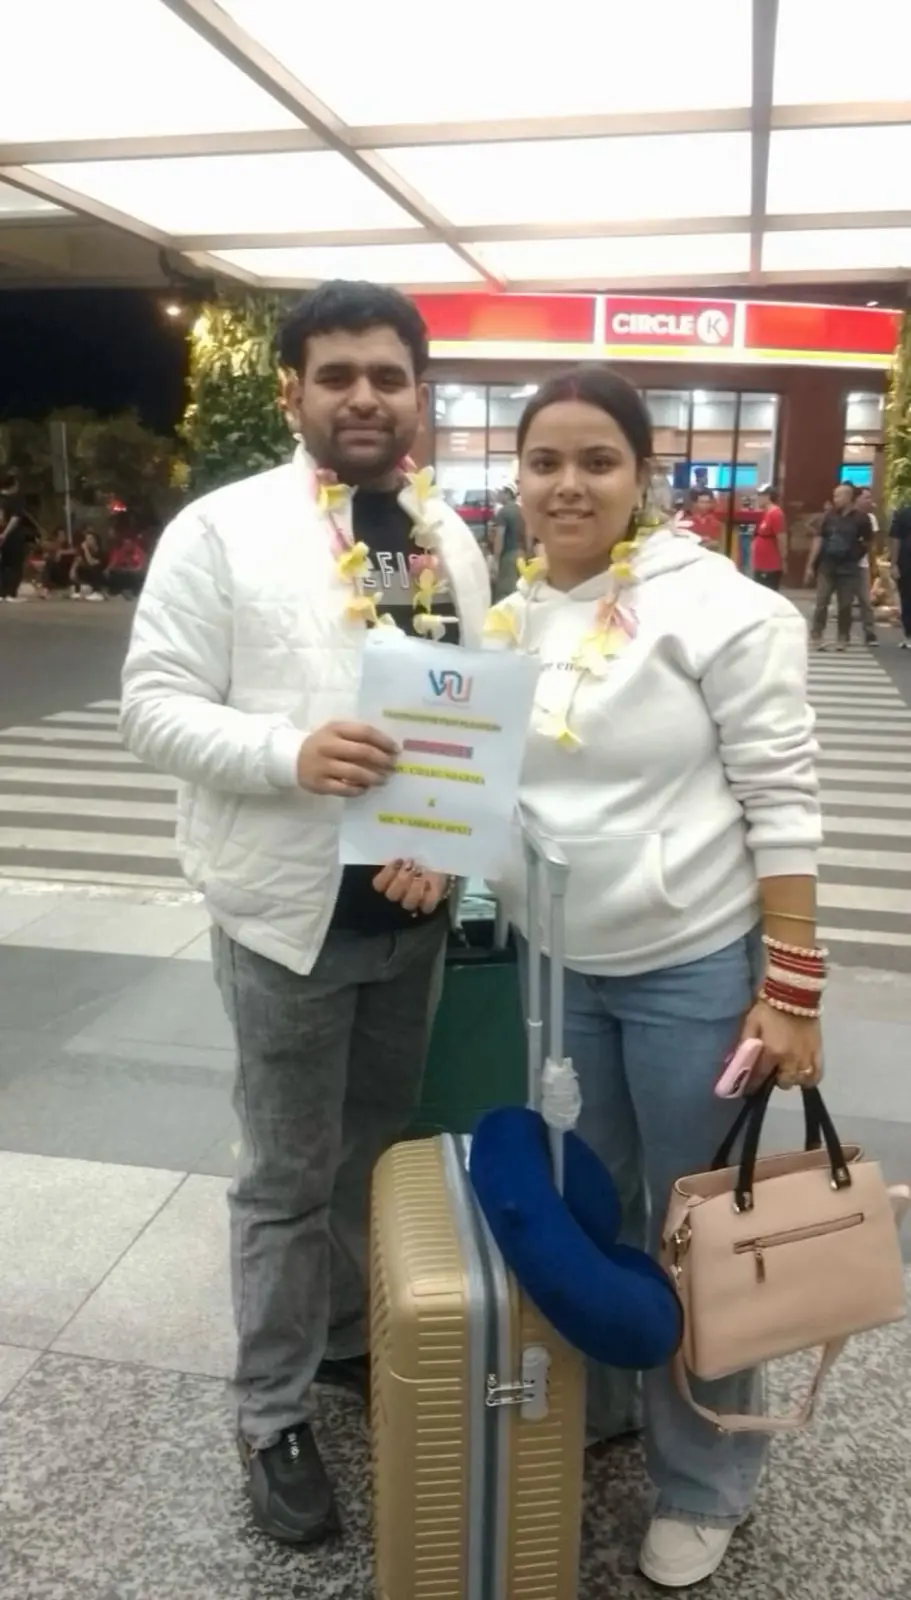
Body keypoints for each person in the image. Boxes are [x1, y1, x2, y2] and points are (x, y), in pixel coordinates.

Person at [120, 281, 490, 1547]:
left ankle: (339, 1340)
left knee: (371, 1146)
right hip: (285, 912)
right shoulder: (221, 531)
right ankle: (270, 1409)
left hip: (409, 912)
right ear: (294, 392)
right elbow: (149, 706)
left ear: (417, 390)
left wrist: (445, 850)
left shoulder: (450, 537)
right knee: (283, 1172)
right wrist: (290, 752)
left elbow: (462, 717)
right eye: (335, 375)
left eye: (386, 375)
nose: (363, 398)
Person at [484, 366, 822, 1590]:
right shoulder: (510, 612)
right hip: (559, 970)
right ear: (516, 476)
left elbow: (782, 803)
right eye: (543, 461)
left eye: (596, 460)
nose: (567, 483)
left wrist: (788, 990)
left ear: (642, 475)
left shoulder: (721, 610)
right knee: (593, 1208)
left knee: (700, 1235)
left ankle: (702, 1479)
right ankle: (620, 1397)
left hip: (689, 971)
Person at [805, 481, 876, 649]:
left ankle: (843, 637)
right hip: (827, 565)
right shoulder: (829, 516)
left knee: (845, 604)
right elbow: (819, 539)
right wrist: (810, 565)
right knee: (822, 601)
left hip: (849, 567)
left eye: (838, 495)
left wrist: (857, 554)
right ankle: (817, 635)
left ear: (848, 497)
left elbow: (869, 541)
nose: (835, 499)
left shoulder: (861, 518)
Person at [0, 483, 37, 602]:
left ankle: (2, 593)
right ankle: (10, 593)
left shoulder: (2, 499)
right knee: (14, 564)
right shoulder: (16, 499)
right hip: (13, 536)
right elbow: (15, 518)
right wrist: (5, 534)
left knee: (3, 564)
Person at [490, 484, 527, 598]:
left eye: (501, 492)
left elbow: (499, 537)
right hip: (523, 555)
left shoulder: (504, 512)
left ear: (507, 493)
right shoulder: (523, 510)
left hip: (509, 556)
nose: (498, 495)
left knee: (506, 592)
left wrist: (496, 559)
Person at [854, 485, 881, 637]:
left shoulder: (871, 519)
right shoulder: (847, 515)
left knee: (865, 600)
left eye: (870, 498)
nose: (869, 501)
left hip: (862, 564)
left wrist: (873, 564)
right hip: (845, 564)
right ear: (857, 499)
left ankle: (870, 632)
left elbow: (873, 544)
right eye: (866, 497)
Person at [750, 484, 786, 590]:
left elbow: (782, 538)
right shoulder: (765, 513)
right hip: (760, 564)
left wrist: (783, 559)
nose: (758, 498)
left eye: (761, 495)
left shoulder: (776, 514)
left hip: (770, 564)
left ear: (768, 497)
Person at [891, 499, 911, 648]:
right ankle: (909, 634)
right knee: (907, 599)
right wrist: (893, 564)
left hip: (905, 563)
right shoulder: (904, 514)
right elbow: (895, 540)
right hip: (906, 564)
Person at [105, 531, 147, 598]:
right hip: (124, 571)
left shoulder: (139, 551)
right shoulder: (122, 550)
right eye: (125, 544)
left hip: (135, 572)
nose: (126, 545)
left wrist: (130, 569)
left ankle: (134, 592)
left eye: (128, 544)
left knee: (135, 575)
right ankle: (116, 592)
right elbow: (115, 562)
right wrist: (108, 569)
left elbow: (140, 567)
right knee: (116, 573)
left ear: (133, 543)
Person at [71, 528, 106, 599]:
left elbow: (92, 563)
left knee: (95, 567)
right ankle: (79, 590)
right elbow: (77, 561)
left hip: (100, 576)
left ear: (95, 540)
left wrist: (86, 549)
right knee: (80, 568)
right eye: (86, 539)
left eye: (90, 539)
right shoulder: (84, 552)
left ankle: (97, 592)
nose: (87, 541)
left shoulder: (101, 552)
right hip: (87, 577)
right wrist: (73, 570)